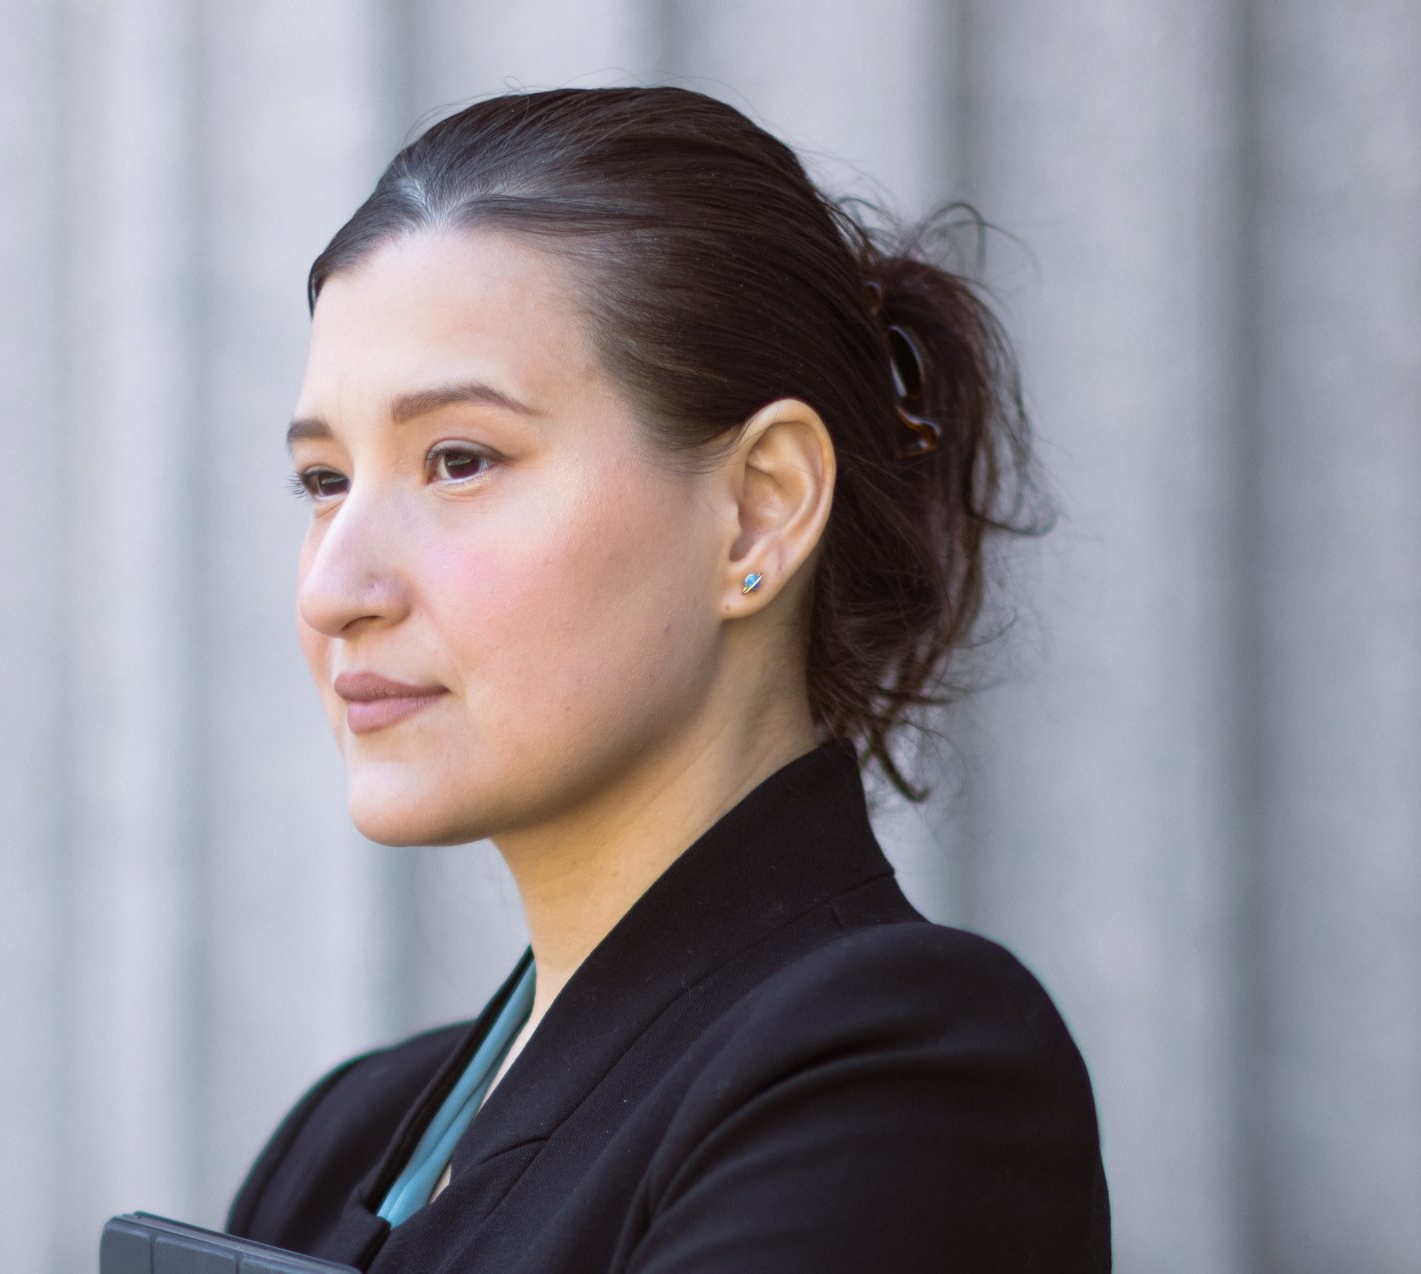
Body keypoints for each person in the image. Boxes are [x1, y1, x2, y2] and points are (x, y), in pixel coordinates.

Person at [224, 86, 1110, 1272]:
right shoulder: (338, 1143)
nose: (337, 588)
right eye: (324, 481)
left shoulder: (895, 1076)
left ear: (758, 509)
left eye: (459, 459)